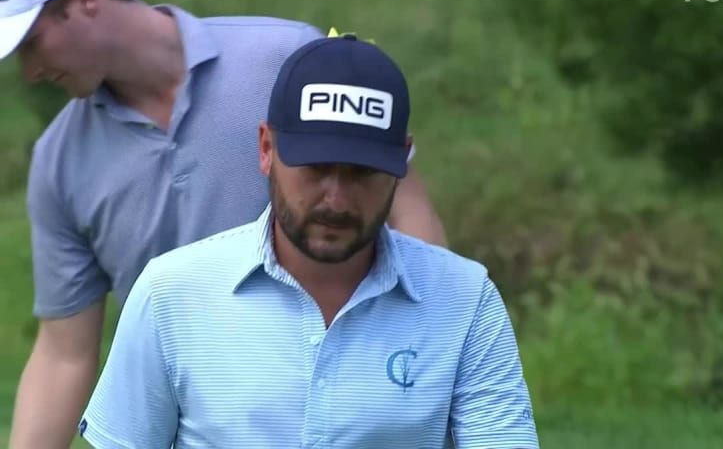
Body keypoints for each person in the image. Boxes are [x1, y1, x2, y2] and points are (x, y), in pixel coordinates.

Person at [0, 0, 448, 447]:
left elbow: (407, 215)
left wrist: (427, 371)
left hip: (360, 410)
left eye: (32, 42)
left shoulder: (283, 58)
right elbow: (63, 356)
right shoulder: (59, 161)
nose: (30, 72)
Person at [79, 33, 539, 448]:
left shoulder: (463, 299)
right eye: (315, 168)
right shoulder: (171, 294)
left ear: (401, 163)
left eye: (362, 173)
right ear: (265, 149)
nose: (336, 199)